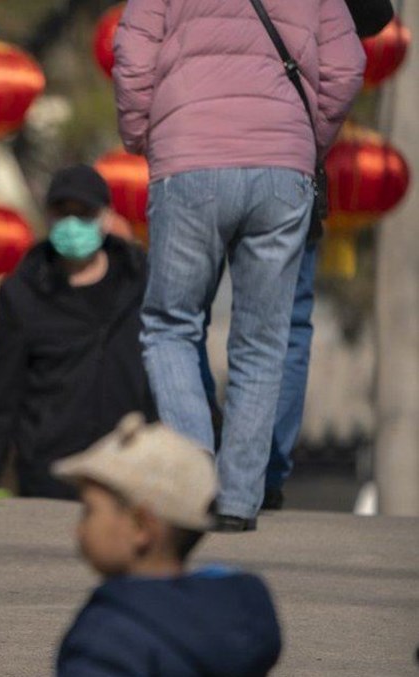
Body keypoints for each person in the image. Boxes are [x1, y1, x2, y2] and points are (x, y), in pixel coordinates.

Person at [114, 0, 364, 530]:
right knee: (263, 339)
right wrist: (304, 138)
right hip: (282, 167)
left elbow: (133, 58)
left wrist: (142, 135)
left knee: (170, 325)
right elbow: (347, 65)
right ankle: (239, 498)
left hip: (188, 158)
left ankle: (195, 478)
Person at [199, 0, 398, 513]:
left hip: (198, 155)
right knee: (286, 323)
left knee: (179, 319)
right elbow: (371, 23)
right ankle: (260, 467)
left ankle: (203, 456)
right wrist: (314, 134)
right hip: (290, 162)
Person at [0, 164, 153, 499]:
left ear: (106, 217)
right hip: (52, 475)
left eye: (85, 213)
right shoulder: (22, 292)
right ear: (48, 217)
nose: (74, 224)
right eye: (63, 214)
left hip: (134, 465)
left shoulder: (141, 280)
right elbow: (1, 398)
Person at [52, 413, 282, 676]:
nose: (78, 528)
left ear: (142, 528)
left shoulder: (107, 638)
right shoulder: (234, 620)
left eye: (89, 511)